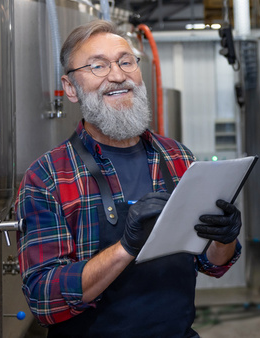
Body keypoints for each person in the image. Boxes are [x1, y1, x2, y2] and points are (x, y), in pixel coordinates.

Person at [15, 20, 242, 337]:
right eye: (98, 66)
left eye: (125, 61)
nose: (118, 75)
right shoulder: (48, 176)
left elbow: (212, 264)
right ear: (70, 88)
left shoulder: (177, 158)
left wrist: (224, 238)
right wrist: (126, 247)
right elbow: (43, 300)